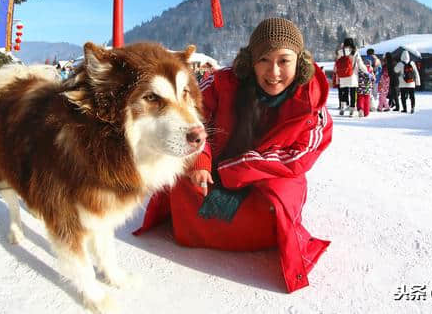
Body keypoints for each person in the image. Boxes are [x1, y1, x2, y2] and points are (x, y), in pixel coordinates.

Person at [134, 18, 333, 293]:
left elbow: (298, 156)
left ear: (299, 62)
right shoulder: (221, 84)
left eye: (284, 61)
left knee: (280, 198)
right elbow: (194, 123)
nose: (273, 72)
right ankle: (212, 225)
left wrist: (237, 169)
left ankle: (216, 225)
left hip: (265, 176)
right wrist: (201, 163)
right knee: (180, 181)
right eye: (264, 59)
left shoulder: (312, 101)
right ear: (251, 61)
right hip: (213, 167)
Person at [335, 37, 367, 117]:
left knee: (344, 92)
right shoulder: (355, 52)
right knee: (353, 93)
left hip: (343, 75)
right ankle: (352, 111)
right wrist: (367, 72)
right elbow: (360, 64)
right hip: (352, 75)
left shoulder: (340, 52)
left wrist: (337, 73)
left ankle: (342, 108)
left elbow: (337, 64)